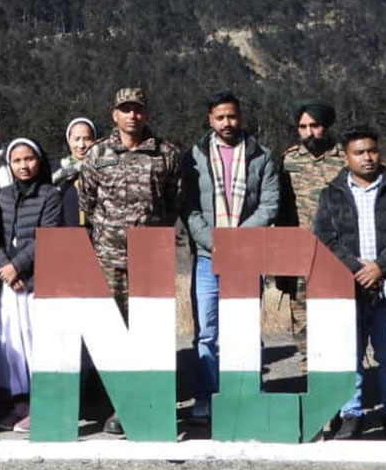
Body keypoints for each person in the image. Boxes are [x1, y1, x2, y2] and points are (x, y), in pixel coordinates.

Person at [77, 87, 183, 434]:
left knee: (149, 334)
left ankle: (149, 402)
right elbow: (88, 202)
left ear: (146, 113)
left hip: (151, 259)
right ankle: (120, 405)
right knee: (114, 336)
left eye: (138, 109)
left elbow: (172, 201)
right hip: (109, 258)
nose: (132, 115)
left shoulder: (165, 153)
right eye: (125, 110)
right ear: (114, 114)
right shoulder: (97, 154)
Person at [310, 126, 386, 438]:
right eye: (359, 152)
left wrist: (380, 267)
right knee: (350, 353)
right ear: (346, 158)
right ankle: (352, 414)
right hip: (348, 289)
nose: (367, 157)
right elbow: (325, 236)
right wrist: (356, 270)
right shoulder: (331, 195)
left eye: (372, 150)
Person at [181, 92, 280, 422]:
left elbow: (269, 205)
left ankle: (250, 391)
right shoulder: (193, 157)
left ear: (241, 117)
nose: (227, 123)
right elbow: (189, 208)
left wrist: (237, 240)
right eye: (220, 117)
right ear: (210, 119)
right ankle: (207, 397)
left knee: (247, 328)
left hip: (247, 257)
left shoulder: (262, 156)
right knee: (206, 332)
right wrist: (213, 242)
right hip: (208, 257)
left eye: (232, 116)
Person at [0, 138, 62, 433]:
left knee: (35, 341)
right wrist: (4, 267)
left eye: (29, 159)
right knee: (11, 343)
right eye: (17, 160)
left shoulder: (50, 195)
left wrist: (17, 266)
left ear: (39, 160)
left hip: (36, 281)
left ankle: (41, 404)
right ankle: (19, 403)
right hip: (7, 282)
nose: (24, 165)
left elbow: (46, 237)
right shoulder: (2, 196)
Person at [276, 100, 343, 335]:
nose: (308, 132)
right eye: (302, 127)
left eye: (314, 126)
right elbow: (280, 209)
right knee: (302, 317)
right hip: (299, 250)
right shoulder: (288, 161)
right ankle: (307, 368)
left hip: (337, 251)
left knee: (337, 316)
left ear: (326, 126)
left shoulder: (345, 160)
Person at [52, 116, 97, 227]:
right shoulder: (56, 170)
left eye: (87, 139)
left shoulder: (103, 169)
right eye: (76, 139)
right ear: (69, 140)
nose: (81, 145)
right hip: (66, 235)